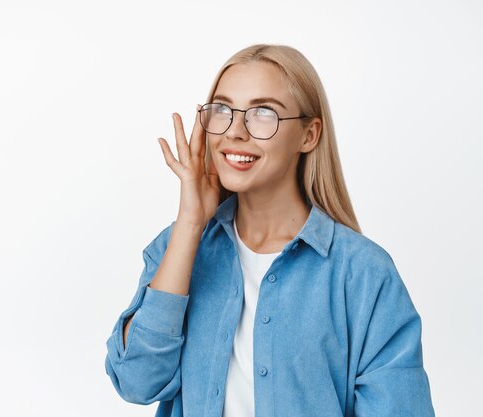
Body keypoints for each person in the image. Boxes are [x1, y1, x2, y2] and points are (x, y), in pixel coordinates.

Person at [104, 44, 436, 417]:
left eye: (263, 113)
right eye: (224, 110)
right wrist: (190, 222)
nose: (235, 132)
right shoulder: (177, 245)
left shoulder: (363, 274)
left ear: (309, 136)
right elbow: (136, 381)